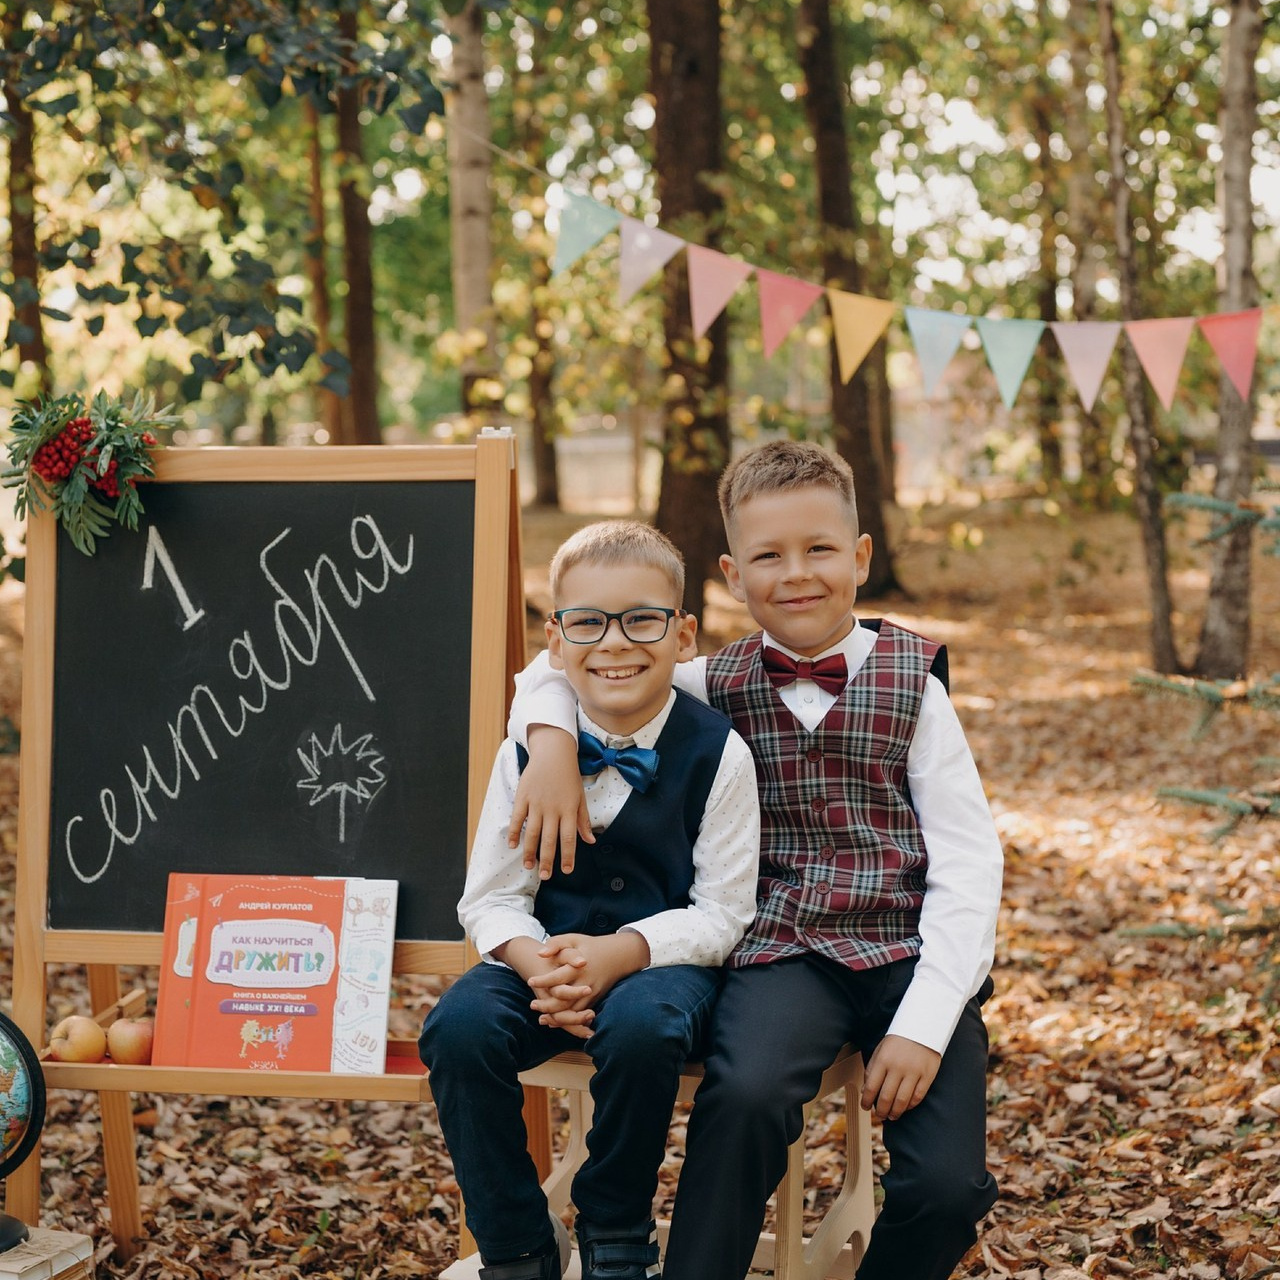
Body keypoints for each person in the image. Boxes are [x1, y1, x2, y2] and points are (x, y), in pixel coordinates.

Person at [506, 440, 1003, 1280]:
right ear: (734, 576)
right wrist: (552, 742)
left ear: (861, 555)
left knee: (950, 1187)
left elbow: (970, 864)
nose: (796, 574)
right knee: (743, 1100)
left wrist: (922, 1027)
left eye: (819, 550)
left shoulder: (914, 684)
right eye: (769, 556)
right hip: (784, 956)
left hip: (910, 958)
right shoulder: (707, 679)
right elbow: (565, 664)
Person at [419, 519, 760, 1280]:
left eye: (642, 619)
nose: (614, 643)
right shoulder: (529, 750)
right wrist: (531, 960)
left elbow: (725, 912)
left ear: (683, 634)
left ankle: (615, 1231)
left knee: (641, 1029)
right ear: (556, 638)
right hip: (545, 954)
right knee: (459, 1028)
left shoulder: (719, 752)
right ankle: (516, 1244)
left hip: (668, 968)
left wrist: (624, 953)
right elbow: (492, 896)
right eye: (588, 622)